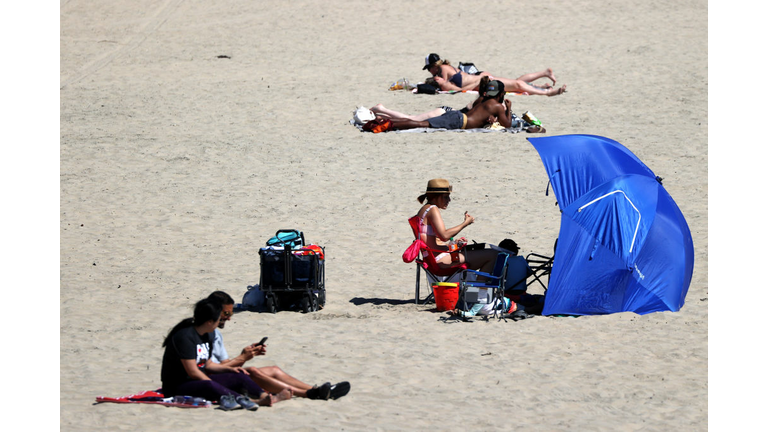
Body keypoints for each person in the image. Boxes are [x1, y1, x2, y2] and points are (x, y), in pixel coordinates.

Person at [207, 291, 351, 401]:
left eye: (231, 313)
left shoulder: (216, 334)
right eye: (226, 313)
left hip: (222, 375)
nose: (230, 317)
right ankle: (309, 394)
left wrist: (246, 356)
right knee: (252, 372)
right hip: (209, 381)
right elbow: (207, 369)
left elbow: (226, 364)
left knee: (273, 370)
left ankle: (318, 390)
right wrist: (242, 357)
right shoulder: (199, 334)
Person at [160, 298, 292, 411]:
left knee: (238, 374)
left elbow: (208, 364)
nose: (221, 321)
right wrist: (215, 383)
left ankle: (265, 397)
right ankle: (252, 401)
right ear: (209, 321)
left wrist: (230, 369)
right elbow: (193, 372)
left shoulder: (209, 334)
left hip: (199, 379)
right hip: (178, 385)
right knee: (209, 384)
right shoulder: (185, 337)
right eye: (219, 318)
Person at [414, 178, 500, 276]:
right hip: (441, 260)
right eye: (446, 197)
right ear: (436, 196)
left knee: (479, 252)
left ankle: (478, 289)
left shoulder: (423, 211)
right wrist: (465, 223)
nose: (449, 200)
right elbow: (444, 236)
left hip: (434, 258)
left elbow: (432, 242)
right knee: (493, 255)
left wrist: (451, 245)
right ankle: (480, 290)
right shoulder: (433, 209)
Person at [386, 79, 536, 131]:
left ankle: (390, 123)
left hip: (457, 115)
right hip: (459, 121)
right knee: (422, 124)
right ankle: (390, 124)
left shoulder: (482, 100)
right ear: (501, 94)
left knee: (421, 122)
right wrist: (508, 109)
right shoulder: (497, 106)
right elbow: (508, 125)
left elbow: (479, 115)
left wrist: (490, 120)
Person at [422, 53, 566, 96]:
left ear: (434, 66)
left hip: (482, 79)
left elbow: (451, 88)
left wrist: (435, 83)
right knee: (515, 84)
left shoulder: (444, 70)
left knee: (516, 85)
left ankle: (546, 92)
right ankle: (542, 79)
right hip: (481, 79)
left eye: (429, 69)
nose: (431, 73)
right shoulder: (445, 69)